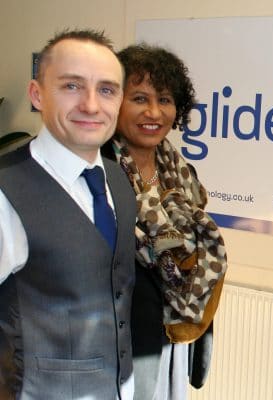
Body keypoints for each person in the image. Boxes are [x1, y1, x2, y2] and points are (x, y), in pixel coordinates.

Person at [0, 29, 136, 399]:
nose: (91, 105)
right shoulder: (6, 191)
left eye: (106, 89)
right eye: (72, 86)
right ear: (37, 94)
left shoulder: (118, 181)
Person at [101, 43, 227, 400]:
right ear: (115, 101)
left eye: (165, 99)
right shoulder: (97, 173)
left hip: (172, 332)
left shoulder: (183, 175)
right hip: (114, 340)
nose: (154, 112)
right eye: (139, 98)